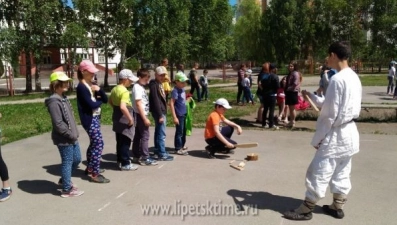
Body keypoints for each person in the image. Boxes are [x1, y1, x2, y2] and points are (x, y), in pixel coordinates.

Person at [283, 41, 362, 221]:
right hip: (349, 132)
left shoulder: (337, 79)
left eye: (328, 55)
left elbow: (330, 114)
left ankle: (306, 209)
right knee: (342, 169)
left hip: (336, 134)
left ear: (334, 55)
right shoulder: (353, 77)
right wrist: (312, 96)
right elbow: (332, 104)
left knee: (319, 170)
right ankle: (337, 205)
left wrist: (320, 138)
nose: (327, 59)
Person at [45, 71, 84, 197]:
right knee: (67, 161)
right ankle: (67, 189)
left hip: (72, 136)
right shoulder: (54, 101)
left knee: (77, 159)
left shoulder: (63, 98)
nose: (67, 84)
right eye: (64, 82)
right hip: (64, 138)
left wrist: (74, 133)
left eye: (67, 81)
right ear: (56, 84)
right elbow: (58, 123)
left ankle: (64, 179)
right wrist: (70, 134)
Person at [76, 60, 109, 183]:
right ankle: (95, 173)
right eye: (90, 72)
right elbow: (92, 104)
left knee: (94, 144)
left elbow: (105, 99)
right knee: (99, 144)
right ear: (83, 71)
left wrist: (99, 90)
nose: (93, 75)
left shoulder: (91, 84)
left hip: (95, 118)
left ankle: (90, 168)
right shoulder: (81, 87)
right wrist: (98, 102)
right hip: (89, 120)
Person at [109, 69, 139, 171]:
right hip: (125, 119)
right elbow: (123, 107)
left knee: (120, 141)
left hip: (117, 119)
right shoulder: (124, 91)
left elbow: (110, 101)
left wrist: (115, 108)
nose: (131, 83)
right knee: (126, 141)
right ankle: (126, 163)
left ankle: (119, 160)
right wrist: (130, 118)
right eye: (130, 80)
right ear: (125, 79)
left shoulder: (114, 89)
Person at [132, 69, 159, 165]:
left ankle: (136, 155)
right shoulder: (137, 88)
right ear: (140, 77)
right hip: (140, 114)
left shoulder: (140, 86)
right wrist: (144, 118)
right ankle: (144, 157)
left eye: (148, 78)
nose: (147, 80)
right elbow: (138, 104)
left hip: (141, 114)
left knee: (139, 135)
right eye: (146, 78)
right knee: (145, 135)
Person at [149, 66, 174, 161]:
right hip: (159, 112)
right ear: (156, 75)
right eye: (160, 75)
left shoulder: (159, 83)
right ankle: (161, 153)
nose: (163, 77)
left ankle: (157, 150)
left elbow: (163, 96)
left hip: (161, 110)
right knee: (162, 133)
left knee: (158, 131)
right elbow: (155, 100)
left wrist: (167, 80)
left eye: (164, 75)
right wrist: (160, 115)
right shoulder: (154, 85)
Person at [170, 72, 189, 156]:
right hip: (179, 114)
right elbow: (171, 103)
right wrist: (174, 117)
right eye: (182, 82)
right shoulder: (175, 91)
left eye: (184, 82)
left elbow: (182, 101)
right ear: (176, 81)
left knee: (184, 131)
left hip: (184, 113)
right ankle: (178, 148)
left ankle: (182, 145)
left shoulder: (182, 89)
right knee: (179, 132)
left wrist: (188, 99)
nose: (184, 83)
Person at [261, 63, 280, 129]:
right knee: (271, 110)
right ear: (274, 69)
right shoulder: (275, 76)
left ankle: (263, 123)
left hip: (265, 94)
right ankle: (271, 124)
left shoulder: (264, 76)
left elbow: (262, 85)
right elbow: (278, 86)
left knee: (265, 109)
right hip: (272, 95)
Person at [284, 61, 301, 128]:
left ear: (294, 67)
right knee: (290, 108)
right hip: (289, 92)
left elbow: (295, 83)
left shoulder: (295, 73)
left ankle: (293, 121)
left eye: (292, 66)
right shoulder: (290, 73)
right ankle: (291, 121)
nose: (290, 67)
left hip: (293, 92)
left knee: (292, 108)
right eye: (289, 66)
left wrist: (288, 88)